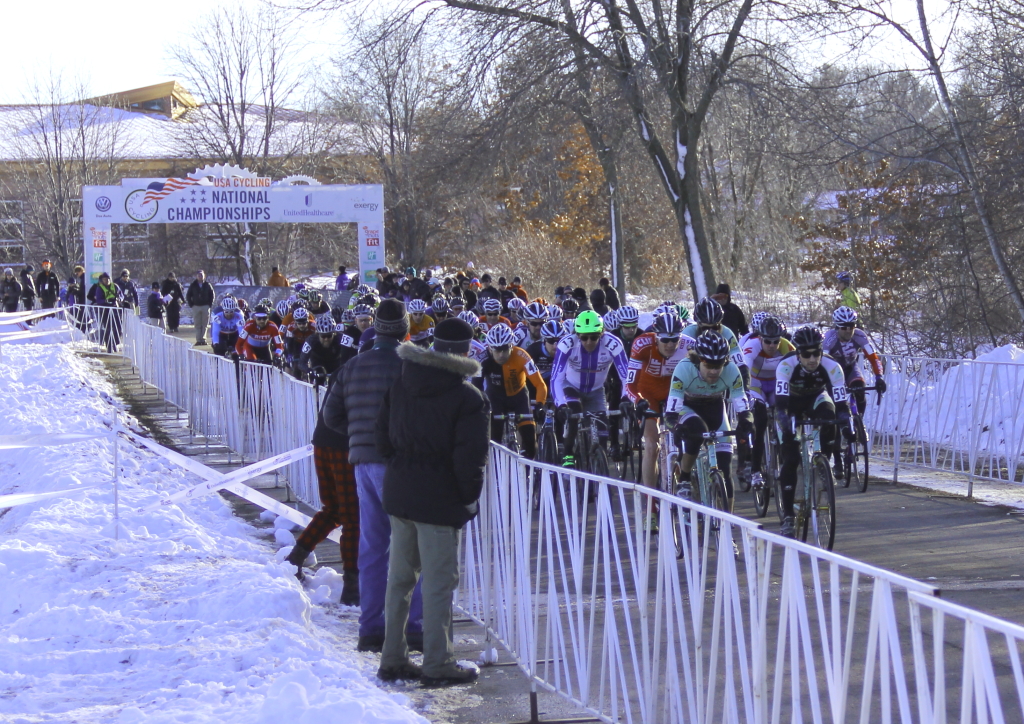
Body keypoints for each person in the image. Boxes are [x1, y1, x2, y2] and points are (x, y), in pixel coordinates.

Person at [374, 317, 488, 685]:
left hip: (400, 492)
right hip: (439, 500)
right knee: (438, 585)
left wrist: (402, 466)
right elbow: (470, 459)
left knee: (399, 581)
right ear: (466, 351)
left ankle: (392, 657)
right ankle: (438, 663)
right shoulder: (468, 398)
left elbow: (381, 438)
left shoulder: (402, 382)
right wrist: (467, 498)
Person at [323, 298, 424, 653]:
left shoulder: (352, 366)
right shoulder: (412, 365)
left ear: (376, 328)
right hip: (401, 464)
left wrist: (359, 434)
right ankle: (414, 626)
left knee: (373, 547)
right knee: (412, 546)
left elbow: (331, 416)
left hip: (363, 464)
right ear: (405, 329)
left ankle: (371, 628)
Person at [285, 360, 362, 607]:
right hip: (344, 445)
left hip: (323, 441)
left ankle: (295, 559)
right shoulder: (377, 368)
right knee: (352, 517)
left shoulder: (346, 367)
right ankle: (352, 586)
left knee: (333, 511)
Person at [774, 325, 851, 537]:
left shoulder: (832, 366)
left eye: (816, 353)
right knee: (791, 458)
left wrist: (846, 425)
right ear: (797, 354)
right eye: (806, 354)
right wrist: (785, 424)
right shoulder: (785, 365)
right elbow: (781, 406)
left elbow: (842, 405)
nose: (812, 359)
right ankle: (788, 516)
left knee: (830, 415)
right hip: (790, 403)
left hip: (816, 397)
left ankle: (824, 463)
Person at [666, 332, 751, 516]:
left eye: (718, 365)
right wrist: (675, 426)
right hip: (687, 407)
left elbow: (741, 401)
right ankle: (684, 479)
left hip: (715, 409)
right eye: (709, 365)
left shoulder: (731, 370)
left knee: (725, 468)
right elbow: (671, 410)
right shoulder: (684, 368)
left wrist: (746, 419)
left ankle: (728, 523)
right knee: (697, 431)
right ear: (699, 360)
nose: (714, 371)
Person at [624, 313, 696, 488]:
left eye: (675, 339)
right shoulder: (641, 344)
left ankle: (685, 479)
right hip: (647, 392)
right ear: (656, 337)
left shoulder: (690, 345)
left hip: (675, 391)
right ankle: (651, 499)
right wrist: (638, 400)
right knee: (651, 446)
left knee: (687, 439)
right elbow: (630, 385)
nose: (670, 345)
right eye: (665, 340)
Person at [550, 310, 629, 467]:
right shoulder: (566, 344)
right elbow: (556, 378)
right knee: (573, 412)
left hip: (596, 390)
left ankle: (598, 465)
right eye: (584, 337)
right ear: (577, 335)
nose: (589, 342)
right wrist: (561, 405)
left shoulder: (613, 344)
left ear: (602, 333)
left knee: (602, 433)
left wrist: (626, 397)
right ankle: (568, 454)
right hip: (571, 386)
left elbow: (626, 376)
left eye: (594, 337)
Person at [822, 306, 886, 474]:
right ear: (837, 327)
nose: (848, 330)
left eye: (851, 325)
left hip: (851, 368)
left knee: (860, 388)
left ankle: (858, 422)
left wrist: (879, 377)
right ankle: (837, 459)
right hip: (833, 373)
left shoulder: (860, 335)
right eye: (844, 327)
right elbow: (822, 364)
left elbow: (873, 357)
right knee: (836, 415)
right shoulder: (829, 339)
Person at [742, 316, 794, 490]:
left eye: (775, 341)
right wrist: (745, 391)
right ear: (760, 338)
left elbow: (798, 367)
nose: (772, 345)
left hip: (776, 383)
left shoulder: (786, 346)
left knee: (784, 410)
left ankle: (785, 449)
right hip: (755, 384)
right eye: (768, 341)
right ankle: (755, 470)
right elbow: (744, 368)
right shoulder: (752, 345)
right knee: (760, 420)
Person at [481, 323, 547, 460]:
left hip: (519, 397)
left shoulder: (522, 355)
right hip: (495, 399)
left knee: (530, 442)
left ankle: (527, 469)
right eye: (497, 350)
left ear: (511, 346)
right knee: (494, 440)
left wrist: (539, 405)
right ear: (490, 348)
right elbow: (476, 386)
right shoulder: (483, 359)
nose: (501, 355)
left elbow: (540, 384)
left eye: (505, 350)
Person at [87, 271, 124, 352]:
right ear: (102, 280)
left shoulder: (115, 286)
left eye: (108, 279)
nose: (106, 281)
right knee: (107, 328)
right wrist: (106, 301)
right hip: (105, 311)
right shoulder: (99, 288)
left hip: (115, 310)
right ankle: (109, 346)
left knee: (118, 328)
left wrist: (119, 299)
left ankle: (115, 343)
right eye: (104, 279)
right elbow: (98, 300)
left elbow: (121, 295)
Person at [186, 270, 216, 346]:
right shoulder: (193, 285)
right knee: (197, 324)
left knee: (204, 324)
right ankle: (198, 340)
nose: (200, 277)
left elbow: (212, 295)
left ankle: (203, 339)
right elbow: (188, 295)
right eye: (199, 275)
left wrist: (209, 304)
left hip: (205, 306)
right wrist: (191, 305)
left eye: (201, 275)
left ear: (204, 276)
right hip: (196, 306)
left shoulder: (207, 285)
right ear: (196, 276)